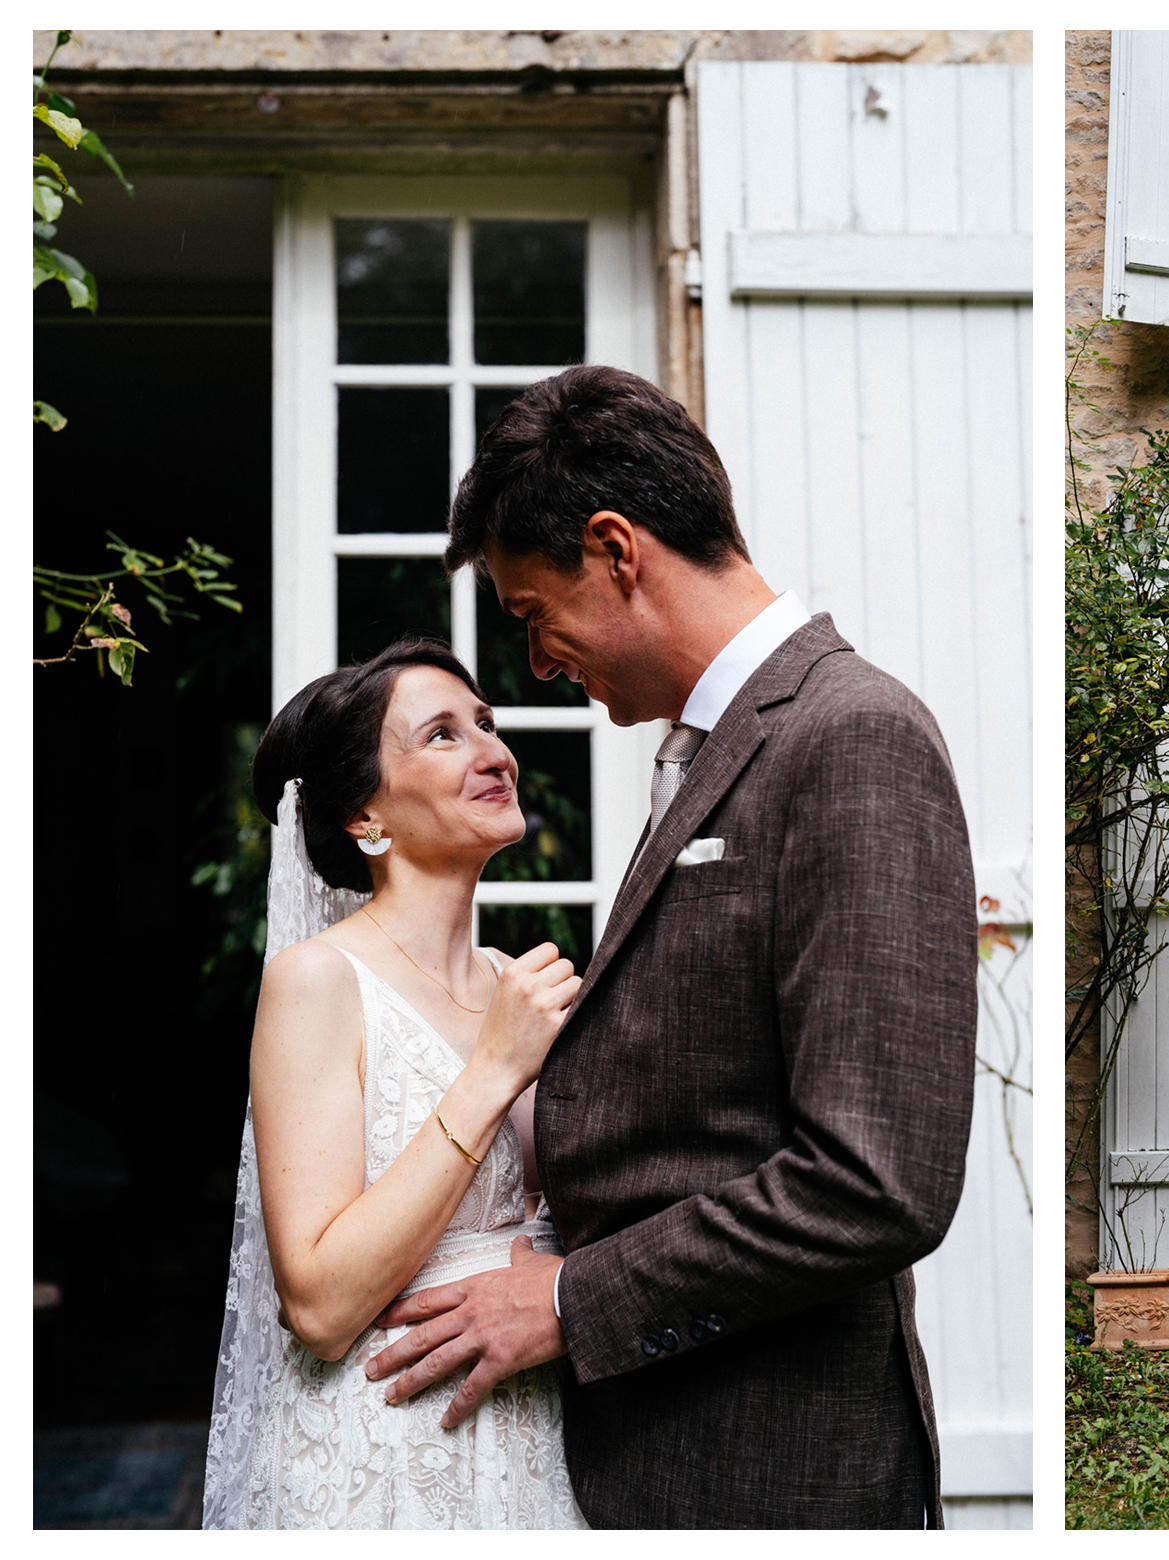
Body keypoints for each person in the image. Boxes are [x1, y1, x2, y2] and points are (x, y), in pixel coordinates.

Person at [362, 364, 978, 1528]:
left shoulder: (853, 738)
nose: (537, 666)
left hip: (769, 1475)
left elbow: (876, 1180)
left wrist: (572, 1300)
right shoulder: (714, 747)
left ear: (615, 549)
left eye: (534, 615)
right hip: (663, 1461)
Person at [204, 639, 589, 1528]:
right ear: (366, 816)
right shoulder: (317, 980)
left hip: (535, 1445)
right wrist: (495, 1067)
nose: (495, 751)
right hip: (383, 1455)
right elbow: (321, 1304)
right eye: (444, 735)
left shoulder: (514, 986)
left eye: (487, 724)